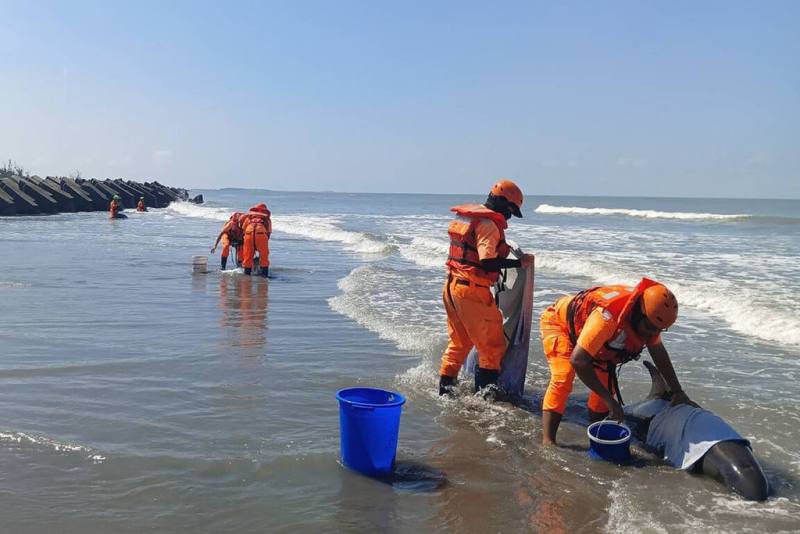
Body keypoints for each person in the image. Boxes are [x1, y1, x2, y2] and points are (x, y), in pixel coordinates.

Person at [539, 277, 697, 445]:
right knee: (564, 377)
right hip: (561, 325)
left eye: (658, 330)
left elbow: (658, 352)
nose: (652, 334)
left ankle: (598, 433)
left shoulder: (650, 320)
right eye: (650, 328)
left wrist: (678, 391)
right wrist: (611, 401)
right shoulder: (607, 317)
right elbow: (579, 360)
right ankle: (548, 441)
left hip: (596, 342)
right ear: (639, 313)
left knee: (605, 394)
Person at [439, 179, 534, 397]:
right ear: (502, 202)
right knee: (492, 347)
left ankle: (445, 393)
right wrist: (519, 263)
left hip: (452, 287)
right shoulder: (489, 225)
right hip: (472, 291)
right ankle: (485, 403)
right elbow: (487, 261)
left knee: (459, 344)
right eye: (510, 210)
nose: (509, 216)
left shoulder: (469, 217)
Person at [240, 203, 271, 277]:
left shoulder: (249, 217)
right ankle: (264, 276)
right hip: (261, 234)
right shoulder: (266, 219)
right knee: (264, 257)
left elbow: (243, 230)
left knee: (248, 257)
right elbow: (268, 233)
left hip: (248, 233)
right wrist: (261, 246)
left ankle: (247, 276)